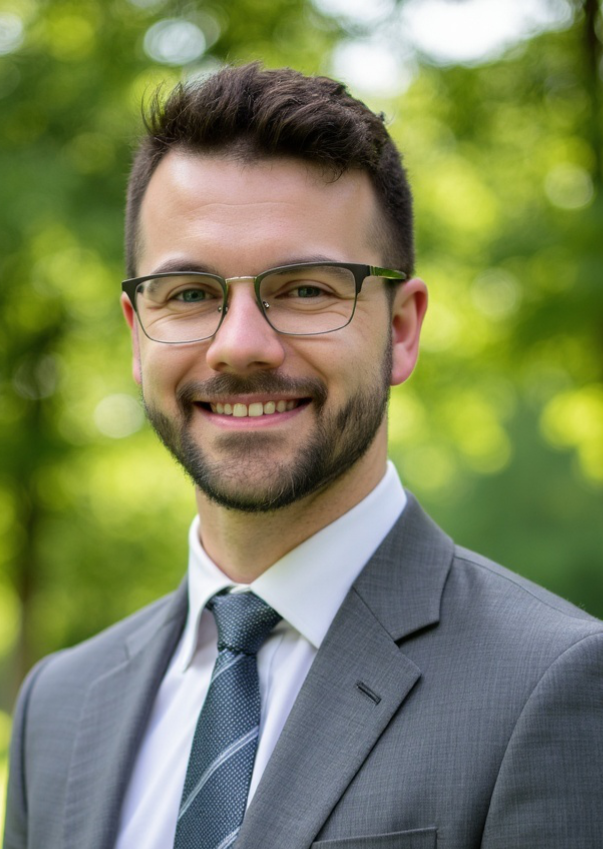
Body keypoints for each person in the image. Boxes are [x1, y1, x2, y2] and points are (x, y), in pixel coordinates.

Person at [4, 63, 603, 849]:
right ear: (137, 334)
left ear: (400, 329)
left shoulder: (552, 682)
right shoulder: (58, 704)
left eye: (305, 289)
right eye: (189, 294)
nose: (240, 346)